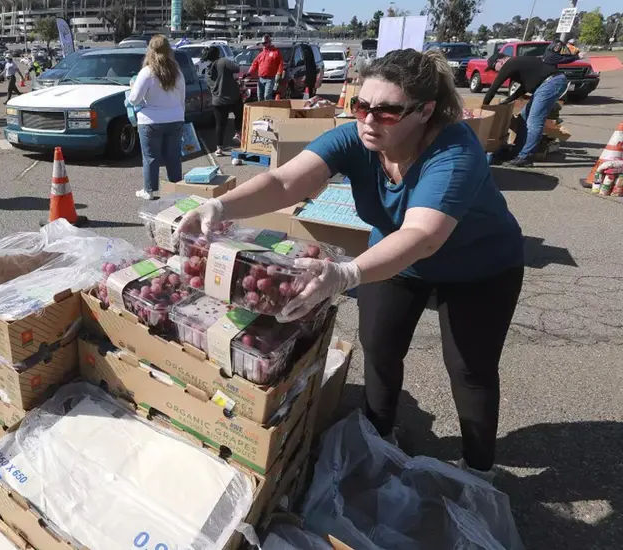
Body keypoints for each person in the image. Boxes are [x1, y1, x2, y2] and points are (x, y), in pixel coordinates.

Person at [178, 49, 524, 482]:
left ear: (425, 111)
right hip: (393, 259)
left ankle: (478, 468)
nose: (368, 121)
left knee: (470, 368)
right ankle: (380, 438)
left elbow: (422, 235)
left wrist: (345, 274)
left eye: (387, 112)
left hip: (480, 266)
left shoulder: (455, 151)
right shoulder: (357, 139)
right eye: (361, 106)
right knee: (380, 348)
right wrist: (222, 205)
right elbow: (286, 181)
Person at [483, 55, 569, 168]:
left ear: (500, 61)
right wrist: (509, 99)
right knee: (523, 117)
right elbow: (524, 87)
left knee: (534, 121)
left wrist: (484, 107)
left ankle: (525, 157)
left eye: (494, 67)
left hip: (551, 83)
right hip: (547, 84)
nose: (495, 71)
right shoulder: (519, 64)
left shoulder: (510, 63)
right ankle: (517, 151)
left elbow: (494, 86)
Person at [128, 34, 186, 200]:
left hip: (150, 121)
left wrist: (132, 87)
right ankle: (176, 189)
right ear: (169, 50)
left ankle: (150, 191)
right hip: (175, 118)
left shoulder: (147, 72)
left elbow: (134, 99)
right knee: (173, 157)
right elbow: (182, 98)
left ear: (150, 51)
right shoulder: (178, 72)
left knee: (151, 158)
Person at [201, 46, 244, 164]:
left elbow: (210, 86)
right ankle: (237, 133)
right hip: (233, 97)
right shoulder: (223, 62)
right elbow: (237, 68)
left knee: (220, 125)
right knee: (239, 114)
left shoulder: (207, 71)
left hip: (218, 101)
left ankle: (219, 148)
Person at [247, 35, 284, 101]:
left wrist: (278, 74)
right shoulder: (261, 54)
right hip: (261, 78)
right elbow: (254, 64)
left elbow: (280, 64)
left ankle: (268, 109)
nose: (264, 45)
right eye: (263, 43)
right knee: (260, 96)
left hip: (270, 78)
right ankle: (261, 110)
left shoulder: (276, 52)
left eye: (265, 43)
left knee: (267, 96)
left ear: (269, 42)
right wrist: (249, 72)